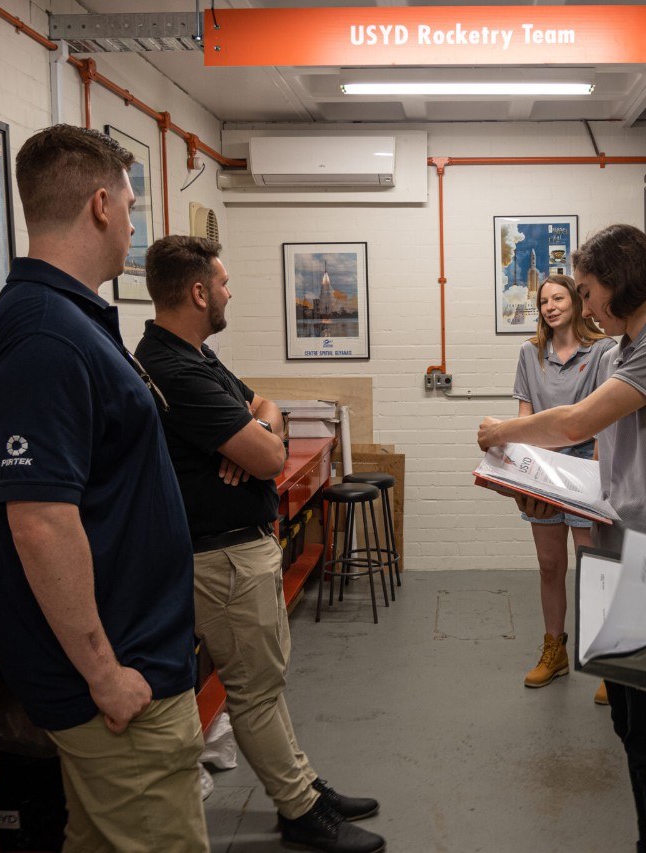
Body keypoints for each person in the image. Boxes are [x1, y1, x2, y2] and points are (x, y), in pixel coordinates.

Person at [0, 125, 208, 852]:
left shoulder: (67, 321)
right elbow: (40, 521)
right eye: (131, 206)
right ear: (100, 205)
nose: (134, 225)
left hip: (136, 660)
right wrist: (105, 675)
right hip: (120, 687)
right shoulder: (46, 335)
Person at [135, 235, 386, 853]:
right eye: (222, 283)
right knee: (254, 688)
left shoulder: (194, 355)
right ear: (198, 292)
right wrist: (258, 442)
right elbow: (272, 456)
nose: (230, 293)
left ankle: (304, 786)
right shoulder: (170, 368)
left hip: (240, 550)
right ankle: (300, 809)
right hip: (220, 559)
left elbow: (267, 408)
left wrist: (256, 431)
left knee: (265, 682)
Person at [479, 223, 646, 853]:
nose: (583, 308)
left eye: (587, 292)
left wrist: (503, 432)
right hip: (616, 552)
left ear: (620, 282)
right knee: (631, 731)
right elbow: (598, 457)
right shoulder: (618, 353)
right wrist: (539, 486)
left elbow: (579, 422)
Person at [511, 274, 616, 694]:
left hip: (586, 472)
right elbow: (524, 418)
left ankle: (607, 663)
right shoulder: (530, 353)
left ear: (575, 301)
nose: (550, 307)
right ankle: (554, 651)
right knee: (550, 566)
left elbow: (606, 421)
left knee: (593, 568)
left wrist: (594, 477)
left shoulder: (603, 351)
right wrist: (522, 474)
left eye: (558, 298)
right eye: (543, 302)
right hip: (543, 473)